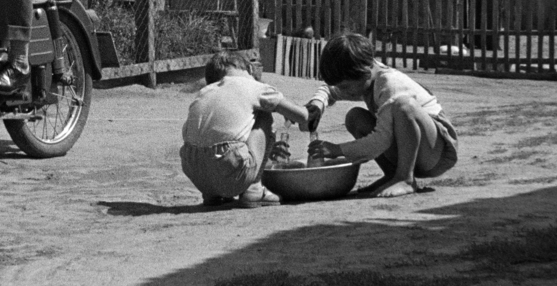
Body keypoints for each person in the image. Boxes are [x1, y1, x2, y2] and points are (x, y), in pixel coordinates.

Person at [305, 33, 459, 198]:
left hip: (435, 152)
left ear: (364, 75)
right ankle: (393, 175)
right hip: (415, 151)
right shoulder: (366, 77)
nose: (342, 92)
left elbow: (381, 140)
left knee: (403, 106)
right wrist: (317, 104)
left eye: (345, 87)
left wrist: (338, 150)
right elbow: (330, 90)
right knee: (355, 117)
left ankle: (405, 178)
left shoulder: (389, 85)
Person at [181, 50, 312, 208]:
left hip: (195, 171)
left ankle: (212, 195)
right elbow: (303, 116)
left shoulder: (204, 92)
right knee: (264, 115)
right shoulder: (254, 86)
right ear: (248, 69)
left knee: (210, 135)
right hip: (229, 167)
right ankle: (254, 189)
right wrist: (314, 105)